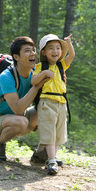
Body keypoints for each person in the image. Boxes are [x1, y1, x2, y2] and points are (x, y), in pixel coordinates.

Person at [0, 36, 46, 161]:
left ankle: (41, 152)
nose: (33, 54)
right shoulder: (6, 76)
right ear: (16, 57)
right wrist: (36, 87)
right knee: (21, 121)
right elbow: (18, 110)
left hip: (20, 117)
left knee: (50, 110)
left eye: (34, 50)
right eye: (27, 50)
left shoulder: (35, 72)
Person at [30, 33, 75, 175]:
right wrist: (45, 74)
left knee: (58, 133)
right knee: (49, 131)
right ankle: (51, 160)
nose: (55, 51)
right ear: (44, 52)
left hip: (61, 103)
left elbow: (71, 57)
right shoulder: (40, 66)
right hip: (46, 102)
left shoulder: (61, 65)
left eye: (58, 48)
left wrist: (69, 43)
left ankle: (52, 157)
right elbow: (33, 81)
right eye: (51, 48)